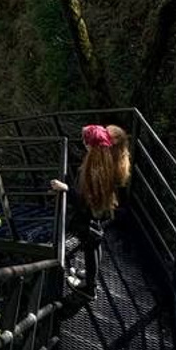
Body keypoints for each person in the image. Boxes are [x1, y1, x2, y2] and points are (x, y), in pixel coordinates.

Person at [50, 123, 132, 299]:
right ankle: (89, 275)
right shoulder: (104, 158)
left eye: (85, 139)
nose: (83, 142)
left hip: (93, 214)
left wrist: (65, 188)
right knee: (94, 244)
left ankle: (89, 288)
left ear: (90, 145)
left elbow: (84, 199)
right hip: (101, 212)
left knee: (91, 245)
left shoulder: (96, 168)